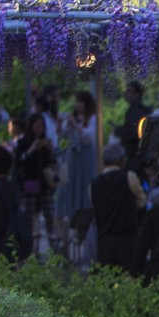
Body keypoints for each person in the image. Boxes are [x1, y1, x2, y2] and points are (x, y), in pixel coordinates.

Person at [55, 90, 99, 261]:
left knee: (85, 199)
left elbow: (90, 139)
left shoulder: (93, 120)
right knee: (68, 199)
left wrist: (76, 126)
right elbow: (63, 143)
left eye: (79, 101)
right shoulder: (73, 121)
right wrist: (61, 128)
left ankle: (82, 237)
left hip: (86, 165)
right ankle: (68, 241)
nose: (77, 105)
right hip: (73, 166)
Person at [91, 143, 144, 272]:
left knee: (106, 279)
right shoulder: (129, 177)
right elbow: (142, 202)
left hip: (104, 242)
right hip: (127, 240)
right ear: (121, 160)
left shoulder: (94, 183)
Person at [11, 112, 57, 255]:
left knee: (49, 212)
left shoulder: (45, 142)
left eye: (41, 126)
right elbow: (19, 162)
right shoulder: (23, 143)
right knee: (30, 215)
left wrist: (49, 150)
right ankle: (30, 248)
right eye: (36, 126)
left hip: (44, 182)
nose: (39, 129)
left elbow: (52, 162)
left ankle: (53, 244)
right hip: (30, 181)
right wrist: (32, 149)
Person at [118, 80, 149, 167]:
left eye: (129, 91)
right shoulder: (134, 110)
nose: (126, 94)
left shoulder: (136, 111)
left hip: (135, 154)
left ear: (137, 94)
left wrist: (120, 131)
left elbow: (134, 132)